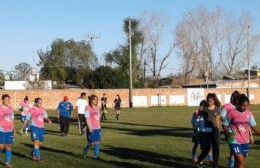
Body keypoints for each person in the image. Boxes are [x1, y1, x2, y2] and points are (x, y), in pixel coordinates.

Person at [223, 94, 260, 168]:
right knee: (241, 162)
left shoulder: (249, 114)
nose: (245, 108)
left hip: (245, 141)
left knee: (239, 163)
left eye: (247, 106)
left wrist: (253, 135)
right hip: (234, 140)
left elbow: (254, 127)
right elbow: (224, 125)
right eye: (243, 106)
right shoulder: (231, 112)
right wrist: (227, 134)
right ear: (238, 104)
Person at [20, 97, 52, 162]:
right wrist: (22, 128)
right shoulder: (32, 109)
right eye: (39, 103)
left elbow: (45, 117)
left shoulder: (42, 109)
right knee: (36, 142)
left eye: (41, 102)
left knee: (40, 144)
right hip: (34, 127)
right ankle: (38, 158)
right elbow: (27, 119)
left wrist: (48, 120)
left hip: (41, 128)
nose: (40, 104)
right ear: (35, 103)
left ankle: (33, 153)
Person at [197, 93, 221, 168]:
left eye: (211, 101)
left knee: (216, 149)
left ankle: (214, 166)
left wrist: (218, 128)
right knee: (207, 149)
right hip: (206, 131)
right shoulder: (204, 108)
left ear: (214, 101)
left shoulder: (217, 108)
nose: (209, 102)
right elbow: (198, 114)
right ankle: (199, 159)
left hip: (215, 131)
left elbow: (217, 120)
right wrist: (200, 109)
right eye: (208, 101)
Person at [191, 100, 213, 164]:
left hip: (205, 132)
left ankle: (210, 158)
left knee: (208, 146)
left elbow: (209, 122)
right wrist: (197, 116)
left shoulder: (207, 114)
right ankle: (194, 157)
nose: (202, 108)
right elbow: (193, 123)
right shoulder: (196, 113)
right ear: (200, 106)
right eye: (201, 107)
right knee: (196, 145)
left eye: (204, 107)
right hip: (197, 132)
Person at [83, 95, 101, 160]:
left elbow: (98, 118)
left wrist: (99, 126)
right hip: (91, 128)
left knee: (97, 142)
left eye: (97, 99)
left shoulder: (97, 108)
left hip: (98, 128)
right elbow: (86, 118)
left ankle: (96, 156)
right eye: (95, 99)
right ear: (91, 100)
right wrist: (89, 127)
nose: (96, 101)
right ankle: (85, 150)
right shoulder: (87, 108)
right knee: (92, 143)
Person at [0, 94, 15, 168]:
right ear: (2, 100)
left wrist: (13, 130)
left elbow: (12, 120)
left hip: (9, 130)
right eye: (6, 100)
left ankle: (7, 163)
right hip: (1, 130)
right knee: (1, 147)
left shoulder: (11, 109)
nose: (8, 101)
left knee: (8, 146)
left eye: (8, 100)